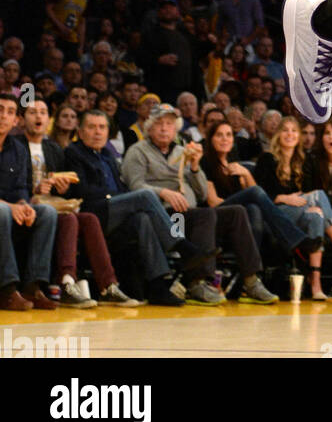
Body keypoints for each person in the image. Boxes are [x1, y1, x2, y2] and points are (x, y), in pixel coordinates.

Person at [122, 103, 274, 305]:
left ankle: (251, 280)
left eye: (169, 124)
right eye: (159, 124)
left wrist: (194, 167)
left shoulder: (181, 151)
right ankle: (197, 282)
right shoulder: (137, 151)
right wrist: (164, 193)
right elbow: (136, 186)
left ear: (176, 128)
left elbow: (202, 192)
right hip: (164, 219)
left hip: (191, 215)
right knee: (206, 214)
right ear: (148, 128)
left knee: (236, 212)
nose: (165, 128)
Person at [15, 98, 142, 308]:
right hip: (27, 205)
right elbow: (14, 183)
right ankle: (66, 282)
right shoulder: (15, 145)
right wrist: (34, 191)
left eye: (43, 112)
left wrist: (62, 188)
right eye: (32, 112)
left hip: (53, 205)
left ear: (49, 119)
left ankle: (108, 286)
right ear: (21, 119)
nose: (38, 116)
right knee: (70, 219)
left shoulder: (54, 149)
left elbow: (65, 187)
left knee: (89, 219)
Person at [70, 109, 195, 306]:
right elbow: (81, 190)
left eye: (102, 127)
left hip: (114, 212)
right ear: (80, 130)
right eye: (91, 127)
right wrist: (114, 197)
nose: (97, 132)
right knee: (145, 195)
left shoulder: (108, 156)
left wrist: (119, 198)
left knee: (143, 218)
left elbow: (122, 188)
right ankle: (180, 245)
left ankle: (157, 286)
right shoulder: (73, 153)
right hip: (92, 213)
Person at [254, 117, 332, 300]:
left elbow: (304, 196)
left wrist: (306, 204)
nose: (290, 134)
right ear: (278, 135)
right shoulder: (267, 159)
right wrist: (282, 198)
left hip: (297, 216)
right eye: (285, 130)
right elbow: (258, 194)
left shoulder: (301, 161)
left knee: (316, 215)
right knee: (319, 196)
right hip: (274, 217)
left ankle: (316, 284)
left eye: (294, 131)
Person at [201, 120, 307, 276]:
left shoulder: (233, 164)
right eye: (219, 135)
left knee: (254, 209)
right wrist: (240, 204)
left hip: (238, 219)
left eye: (229, 135)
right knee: (254, 198)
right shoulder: (206, 162)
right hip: (217, 216)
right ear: (211, 139)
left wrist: (246, 174)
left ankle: (252, 273)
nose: (225, 139)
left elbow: (254, 194)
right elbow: (212, 202)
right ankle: (293, 236)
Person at [0, 93, 58, 310]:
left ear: (16, 121)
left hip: (10, 209)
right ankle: (6, 289)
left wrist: (24, 204)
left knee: (47, 212)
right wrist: (10, 206)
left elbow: (21, 187)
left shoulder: (18, 149)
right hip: (3, 210)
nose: (3, 116)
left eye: (10, 112)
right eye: (0, 109)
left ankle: (32, 286)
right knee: (2, 212)